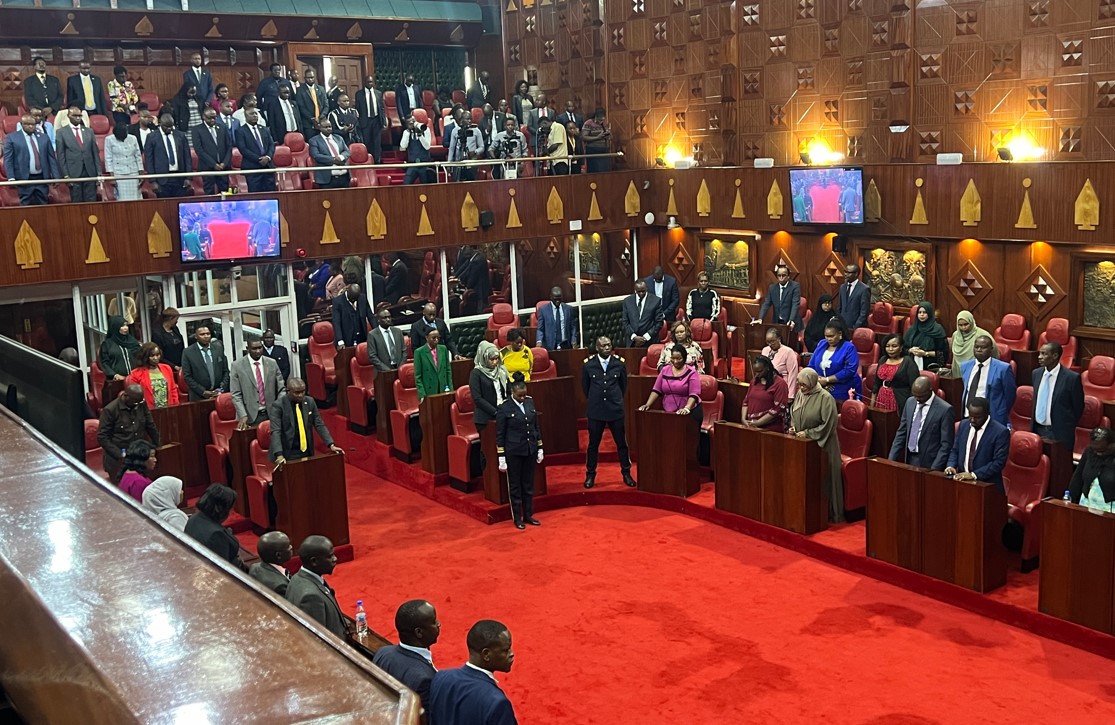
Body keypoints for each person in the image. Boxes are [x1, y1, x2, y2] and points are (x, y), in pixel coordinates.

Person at [429, 620, 517, 725]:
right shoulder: (498, 703)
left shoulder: (440, 678)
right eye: (506, 650)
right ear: (486, 654)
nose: (511, 654)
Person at [789, 368, 845, 523]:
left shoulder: (826, 398)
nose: (801, 388)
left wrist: (808, 433)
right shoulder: (800, 394)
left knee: (826, 478)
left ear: (813, 382)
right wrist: (794, 427)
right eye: (799, 384)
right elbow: (795, 412)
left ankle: (830, 514)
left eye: (804, 385)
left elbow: (829, 424)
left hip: (824, 445)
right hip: (804, 445)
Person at [582, 336, 636, 489]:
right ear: (597, 348)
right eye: (603, 346)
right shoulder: (588, 365)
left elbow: (623, 386)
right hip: (596, 410)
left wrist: (615, 399)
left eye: (609, 345)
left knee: (621, 443)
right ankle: (590, 474)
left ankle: (626, 472)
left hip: (615, 409)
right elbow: (585, 387)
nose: (607, 348)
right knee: (593, 444)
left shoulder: (619, 364)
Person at [373, 600, 441, 709]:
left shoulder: (382, 653)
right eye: (433, 622)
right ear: (419, 632)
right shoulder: (426, 679)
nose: (438, 624)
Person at [497, 375, 543, 529]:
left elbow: (535, 426)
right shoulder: (504, 408)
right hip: (514, 452)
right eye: (519, 395)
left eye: (524, 394)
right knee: (515, 486)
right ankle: (517, 518)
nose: (523, 398)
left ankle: (528, 515)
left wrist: (540, 447)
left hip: (530, 449)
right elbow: (500, 434)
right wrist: (501, 456)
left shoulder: (530, 401)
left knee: (528, 484)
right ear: (512, 392)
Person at [269, 377, 344, 465]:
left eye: (303, 391)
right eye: (297, 392)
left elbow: (319, 424)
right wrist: (279, 454)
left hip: (306, 451)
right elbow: (276, 431)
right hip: (288, 451)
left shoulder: (309, 401)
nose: (301, 395)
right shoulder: (278, 405)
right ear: (288, 391)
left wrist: (331, 444)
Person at [945, 397, 1011, 492]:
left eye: (977, 417)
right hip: (961, 483)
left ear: (987, 414)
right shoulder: (964, 425)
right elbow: (955, 450)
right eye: (970, 416)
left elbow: (998, 462)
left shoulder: (1000, 432)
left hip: (987, 486)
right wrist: (951, 465)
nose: (972, 420)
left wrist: (974, 475)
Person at [889, 376, 955, 470]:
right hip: (909, 458)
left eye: (920, 396)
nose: (917, 399)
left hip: (930, 463)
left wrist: (934, 470)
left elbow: (946, 445)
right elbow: (901, 433)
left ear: (930, 390)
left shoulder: (945, 410)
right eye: (915, 395)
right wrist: (891, 460)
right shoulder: (910, 402)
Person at [285, 535, 346, 638]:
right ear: (314, 561)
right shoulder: (311, 597)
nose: (335, 559)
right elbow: (318, 639)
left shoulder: (297, 577)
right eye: (330, 556)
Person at [98, 383, 160, 482]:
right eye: (135, 402)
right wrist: (120, 455)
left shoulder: (140, 404)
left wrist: (157, 445)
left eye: (139, 402)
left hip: (138, 458)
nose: (137, 405)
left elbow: (150, 425)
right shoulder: (110, 410)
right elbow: (102, 437)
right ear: (125, 396)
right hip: (118, 459)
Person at [1032, 340, 1085, 452]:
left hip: (1060, 433)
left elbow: (1078, 407)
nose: (1039, 357)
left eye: (1044, 354)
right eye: (1039, 353)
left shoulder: (1071, 378)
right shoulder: (1036, 373)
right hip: (1037, 430)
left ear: (1055, 356)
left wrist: (1066, 425)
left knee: (1059, 467)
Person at [184, 484, 245, 569]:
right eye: (230, 508)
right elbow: (223, 569)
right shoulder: (216, 535)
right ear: (222, 509)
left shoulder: (194, 518)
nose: (231, 512)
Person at [2, 113, 58, 206]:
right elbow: (8, 160)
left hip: (42, 178)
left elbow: (51, 158)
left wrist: (56, 176)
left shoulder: (44, 137)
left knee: (43, 205)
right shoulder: (12, 138)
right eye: (27, 124)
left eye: (33, 124)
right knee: (26, 207)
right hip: (24, 179)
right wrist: (11, 178)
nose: (31, 126)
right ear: (22, 124)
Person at [959, 335, 1015, 426]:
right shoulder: (965, 366)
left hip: (992, 417)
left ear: (991, 349)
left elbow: (1010, 395)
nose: (979, 350)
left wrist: (1000, 410)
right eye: (976, 347)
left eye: (983, 347)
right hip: (969, 416)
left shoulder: (1003, 368)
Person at [230, 339, 285, 429]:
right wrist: (243, 415)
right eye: (254, 349)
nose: (258, 351)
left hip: (271, 413)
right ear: (248, 349)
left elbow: (281, 389)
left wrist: (278, 407)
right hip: (249, 416)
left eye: (260, 348)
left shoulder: (272, 363)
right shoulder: (237, 366)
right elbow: (236, 394)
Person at [640, 347, 702, 426]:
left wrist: (686, 408)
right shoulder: (665, 370)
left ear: (684, 358)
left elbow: (694, 394)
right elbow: (656, 390)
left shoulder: (691, 372)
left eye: (678, 359)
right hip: (668, 411)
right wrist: (647, 404)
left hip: (689, 413)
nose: (675, 361)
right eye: (673, 358)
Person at [808, 321, 862, 403]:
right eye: (826, 336)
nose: (828, 339)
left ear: (840, 334)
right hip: (820, 385)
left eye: (831, 336)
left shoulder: (849, 347)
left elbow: (849, 370)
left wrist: (827, 380)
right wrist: (818, 380)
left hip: (843, 387)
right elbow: (811, 365)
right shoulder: (822, 344)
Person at [56, 105, 100, 203]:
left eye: (80, 115)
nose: (77, 118)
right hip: (73, 173)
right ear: (68, 116)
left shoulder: (89, 131)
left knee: (91, 202)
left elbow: (95, 153)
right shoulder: (61, 132)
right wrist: (66, 175)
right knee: (77, 203)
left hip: (90, 172)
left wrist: (99, 173)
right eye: (74, 115)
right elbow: (61, 155)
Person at [143, 113, 192, 198]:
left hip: (179, 178)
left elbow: (187, 157)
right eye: (166, 126)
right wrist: (153, 181)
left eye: (171, 126)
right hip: (162, 178)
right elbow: (149, 160)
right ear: (160, 123)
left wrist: (188, 177)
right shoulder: (151, 137)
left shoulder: (180, 135)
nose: (169, 129)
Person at [1069, 427, 1115, 512]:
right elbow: (1078, 477)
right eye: (1095, 450)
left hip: (1110, 508)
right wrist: (1071, 499)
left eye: (1102, 450)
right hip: (1087, 504)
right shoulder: (1089, 452)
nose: (1098, 453)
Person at [871, 334, 920, 413]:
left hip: (900, 398)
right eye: (887, 346)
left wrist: (910, 407)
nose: (890, 349)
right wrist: (872, 405)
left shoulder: (908, 361)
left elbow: (914, 387)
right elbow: (876, 383)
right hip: (882, 397)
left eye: (894, 346)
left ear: (901, 348)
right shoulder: (883, 359)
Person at [181, 325, 229, 401]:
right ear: (196, 337)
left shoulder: (218, 349)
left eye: (208, 333)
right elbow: (187, 376)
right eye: (202, 334)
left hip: (219, 394)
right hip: (198, 396)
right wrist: (202, 391)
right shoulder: (188, 352)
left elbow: (225, 371)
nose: (206, 336)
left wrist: (221, 388)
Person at [742, 355, 789, 431]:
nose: (757, 374)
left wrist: (757, 423)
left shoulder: (780, 384)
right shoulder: (754, 381)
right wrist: (743, 419)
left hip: (770, 429)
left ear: (767, 368)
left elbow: (778, 409)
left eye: (760, 371)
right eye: (755, 371)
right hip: (751, 426)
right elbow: (746, 401)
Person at [126, 342, 180, 409]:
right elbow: (135, 397)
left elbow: (173, 389)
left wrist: (176, 406)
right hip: (148, 411)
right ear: (145, 357)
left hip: (168, 409)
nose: (156, 358)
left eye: (158, 355)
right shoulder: (136, 373)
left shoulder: (167, 368)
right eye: (152, 356)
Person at [192, 107, 233, 195]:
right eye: (210, 118)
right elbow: (199, 150)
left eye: (214, 117)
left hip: (223, 168)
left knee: (224, 192)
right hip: (207, 168)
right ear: (203, 117)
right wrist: (213, 164)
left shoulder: (222, 128)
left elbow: (229, 146)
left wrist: (224, 163)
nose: (213, 120)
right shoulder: (197, 130)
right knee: (209, 193)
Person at [235, 107, 277, 193]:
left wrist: (268, 157)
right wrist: (259, 159)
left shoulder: (265, 129)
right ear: (245, 116)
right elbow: (243, 149)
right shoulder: (240, 131)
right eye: (251, 114)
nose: (254, 116)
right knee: (255, 194)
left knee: (271, 194)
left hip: (267, 167)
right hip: (252, 168)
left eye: (256, 114)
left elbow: (271, 145)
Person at [471, 341, 509, 433]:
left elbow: (508, 391)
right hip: (485, 419)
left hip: (503, 414)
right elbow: (477, 398)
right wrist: (495, 412)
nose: (495, 362)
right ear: (484, 358)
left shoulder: (501, 370)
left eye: (496, 359)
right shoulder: (476, 373)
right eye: (491, 359)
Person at [754, 265, 802, 331]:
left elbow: (795, 304)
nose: (781, 277)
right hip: (777, 322)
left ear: (788, 276)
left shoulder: (795, 286)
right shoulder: (772, 288)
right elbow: (766, 304)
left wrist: (791, 319)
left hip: (791, 322)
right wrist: (760, 318)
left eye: (783, 275)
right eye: (779, 275)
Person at [903, 301, 948, 371]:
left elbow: (943, 354)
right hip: (911, 366)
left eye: (924, 312)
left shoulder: (938, 330)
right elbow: (903, 349)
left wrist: (925, 353)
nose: (922, 315)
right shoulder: (912, 329)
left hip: (930, 367)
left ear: (930, 314)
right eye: (919, 312)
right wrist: (911, 350)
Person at [104, 123, 143, 201]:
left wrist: (141, 173)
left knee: (136, 198)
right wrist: (112, 177)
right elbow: (108, 159)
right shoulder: (109, 140)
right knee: (123, 199)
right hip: (119, 174)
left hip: (133, 173)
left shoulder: (133, 138)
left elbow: (138, 156)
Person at [248, 531, 293, 596]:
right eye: (288, 546)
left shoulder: (254, 567)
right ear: (278, 555)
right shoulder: (280, 586)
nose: (291, 547)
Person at [309, 119, 351, 188]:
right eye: (325, 127)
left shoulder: (339, 138)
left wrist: (341, 157)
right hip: (327, 179)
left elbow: (347, 151)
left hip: (344, 177)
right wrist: (334, 160)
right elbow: (316, 155)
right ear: (320, 127)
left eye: (330, 127)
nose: (328, 129)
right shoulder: (314, 140)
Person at [332, 282, 375, 349]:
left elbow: (371, 317)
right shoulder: (338, 302)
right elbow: (336, 322)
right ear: (347, 291)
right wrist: (340, 341)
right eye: (352, 298)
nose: (353, 300)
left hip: (362, 337)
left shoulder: (362, 298)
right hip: (346, 339)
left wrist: (379, 333)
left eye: (355, 299)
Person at [622, 281, 664, 348]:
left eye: (643, 291)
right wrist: (634, 336)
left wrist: (645, 337)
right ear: (635, 290)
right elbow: (625, 322)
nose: (641, 293)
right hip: (632, 342)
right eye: (639, 291)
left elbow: (659, 322)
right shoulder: (627, 301)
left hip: (650, 342)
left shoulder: (656, 301)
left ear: (646, 288)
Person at [414, 328, 453, 401]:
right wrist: (422, 395)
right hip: (429, 391)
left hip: (443, 388)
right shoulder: (419, 352)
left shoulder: (443, 348)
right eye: (433, 338)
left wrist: (451, 389)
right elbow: (418, 377)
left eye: (438, 337)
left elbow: (448, 370)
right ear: (426, 338)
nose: (436, 340)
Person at [99, 315, 140, 382]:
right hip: (117, 381)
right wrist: (114, 375)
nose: (126, 328)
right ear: (115, 327)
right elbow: (105, 363)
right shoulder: (107, 344)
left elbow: (140, 358)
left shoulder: (133, 342)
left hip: (136, 379)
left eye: (126, 325)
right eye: (122, 326)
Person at [355, 76, 386, 163]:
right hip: (365, 121)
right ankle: (368, 160)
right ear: (365, 82)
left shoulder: (378, 93)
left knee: (377, 142)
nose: (370, 84)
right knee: (367, 141)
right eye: (368, 82)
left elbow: (382, 108)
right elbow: (358, 109)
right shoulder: (359, 94)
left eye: (371, 82)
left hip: (376, 120)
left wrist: (383, 121)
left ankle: (377, 160)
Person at [761, 328, 799, 399]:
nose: (770, 345)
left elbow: (793, 374)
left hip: (782, 387)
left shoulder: (788, 352)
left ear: (779, 339)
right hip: (767, 386)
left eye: (772, 342)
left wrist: (790, 395)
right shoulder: (765, 350)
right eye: (768, 342)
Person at [295, 68, 328, 137]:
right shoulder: (300, 90)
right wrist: (312, 118)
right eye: (308, 78)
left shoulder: (321, 89)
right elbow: (301, 107)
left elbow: (326, 105)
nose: (310, 79)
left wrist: (320, 117)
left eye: (312, 77)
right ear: (305, 78)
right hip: (308, 124)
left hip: (322, 123)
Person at [400, 115, 434, 184]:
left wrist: (420, 135)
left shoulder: (425, 129)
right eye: (410, 123)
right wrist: (408, 132)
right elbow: (403, 146)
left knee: (426, 186)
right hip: (412, 164)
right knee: (406, 184)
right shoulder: (406, 132)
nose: (412, 123)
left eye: (414, 121)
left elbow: (427, 147)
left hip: (424, 164)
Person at [838, 263, 871, 329]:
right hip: (842, 327)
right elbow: (839, 307)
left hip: (857, 328)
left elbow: (864, 312)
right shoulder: (842, 287)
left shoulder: (864, 289)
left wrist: (855, 327)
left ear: (856, 274)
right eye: (845, 271)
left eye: (848, 272)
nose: (845, 274)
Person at [580, 107, 612, 173]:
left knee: (605, 171)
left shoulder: (604, 124)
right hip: (593, 151)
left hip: (604, 151)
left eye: (603, 120)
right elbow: (584, 137)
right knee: (596, 171)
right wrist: (598, 137)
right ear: (596, 117)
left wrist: (608, 135)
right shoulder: (588, 123)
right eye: (600, 120)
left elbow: (610, 137)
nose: (601, 122)